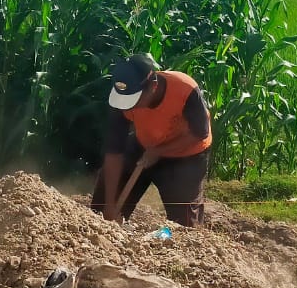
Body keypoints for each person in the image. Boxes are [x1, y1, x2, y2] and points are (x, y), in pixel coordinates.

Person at [90, 54, 212, 227]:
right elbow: (114, 153)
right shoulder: (120, 100)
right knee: (100, 212)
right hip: (145, 143)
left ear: (153, 86)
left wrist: (160, 151)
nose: (129, 106)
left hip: (187, 152)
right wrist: (110, 205)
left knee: (185, 227)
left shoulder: (184, 88)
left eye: (134, 99)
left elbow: (200, 133)